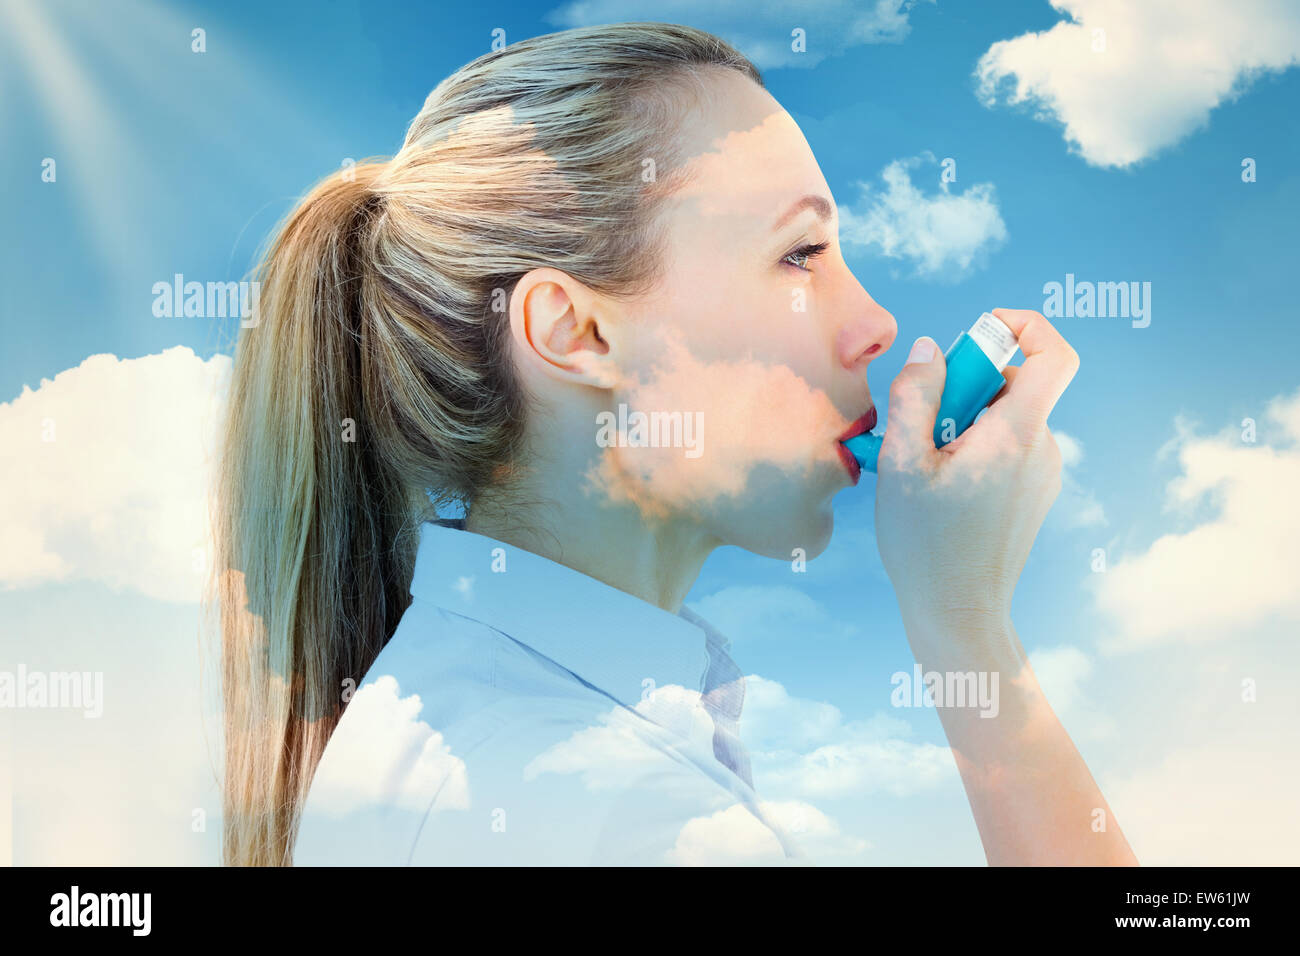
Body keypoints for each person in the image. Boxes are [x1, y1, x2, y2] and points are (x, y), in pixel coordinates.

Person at [213, 21, 1137, 866]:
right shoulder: (631, 819)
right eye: (801, 255)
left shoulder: (461, 723)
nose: (877, 323)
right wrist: (968, 625)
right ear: (576, 334)